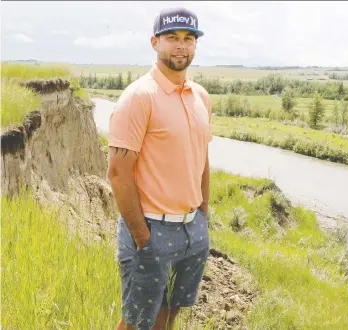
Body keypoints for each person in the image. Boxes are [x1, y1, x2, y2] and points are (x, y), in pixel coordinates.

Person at [107, 7, 212, 330]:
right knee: (138, 320)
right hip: (151, 227)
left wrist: (204, 216)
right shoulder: (139, 97)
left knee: (171, 312)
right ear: (155, 42)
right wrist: (142, 237)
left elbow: (202, 158)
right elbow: (118, 172)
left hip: (192, 228)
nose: (181, 46)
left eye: (188, 39)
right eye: (172, 38)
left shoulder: (201, 97)